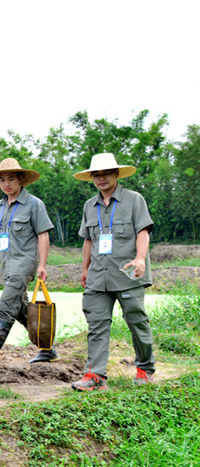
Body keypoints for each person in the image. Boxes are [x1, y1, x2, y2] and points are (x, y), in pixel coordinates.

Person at [71, 153, 155, 391]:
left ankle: (145, 369)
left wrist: (140, 258)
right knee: (96, 325)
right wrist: (85, 269)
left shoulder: (134, 200)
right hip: (98, 276)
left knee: (137, 322)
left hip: (128, 274)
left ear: (116, 174)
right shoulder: (90, 206)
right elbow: (88, 240)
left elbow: (143, 232)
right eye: (96, 175)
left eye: (106, 173)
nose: (101, 178)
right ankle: (95, 377)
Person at [0, 158, 55, 369]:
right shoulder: (0, 206)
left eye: (11, 179)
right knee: (19, 309)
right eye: (2, 180)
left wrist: (43, 265)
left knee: (6, 306)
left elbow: (43, 235)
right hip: (7, 265)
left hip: (24, 265)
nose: (6, 184)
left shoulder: (34, 204)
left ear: (20, 180)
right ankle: (47, 348)